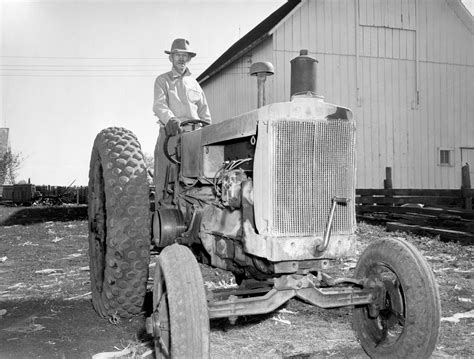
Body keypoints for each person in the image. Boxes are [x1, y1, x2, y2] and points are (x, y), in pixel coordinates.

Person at [153, 38, 211, 203]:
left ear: (189, 58)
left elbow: (204, 113)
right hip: (171, 135)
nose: (181, 59)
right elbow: (159, 105)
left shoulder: (195, 84)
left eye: (185, 55)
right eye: (177, 55)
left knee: (198, 180)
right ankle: (162, 217)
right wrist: (170, 119)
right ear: (171, 57)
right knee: (165, 180)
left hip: (195, 136)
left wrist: (209, 133)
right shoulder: (162, 80)